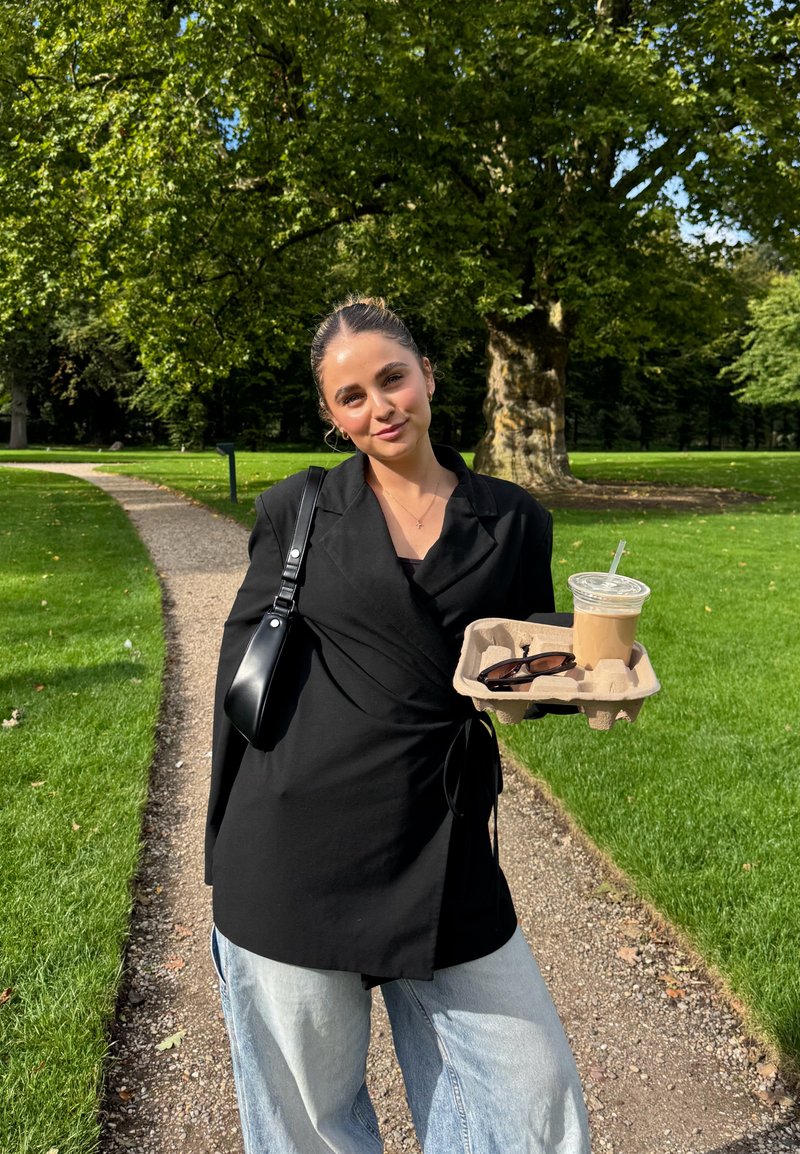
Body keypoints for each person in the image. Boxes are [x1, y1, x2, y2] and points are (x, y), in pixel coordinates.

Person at [205, 297, 591, 1154]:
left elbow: (514, 670)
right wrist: (222, 851)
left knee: (532, 1098)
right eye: (352, 396)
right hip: (296, 850)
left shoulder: (514, 518)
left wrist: (585, 690)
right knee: (313, 1120)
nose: (380, 407)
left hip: (444, 843)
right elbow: (243, 685)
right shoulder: (294, 511)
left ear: (427, 377)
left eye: (392, 379)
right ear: (332, 417)